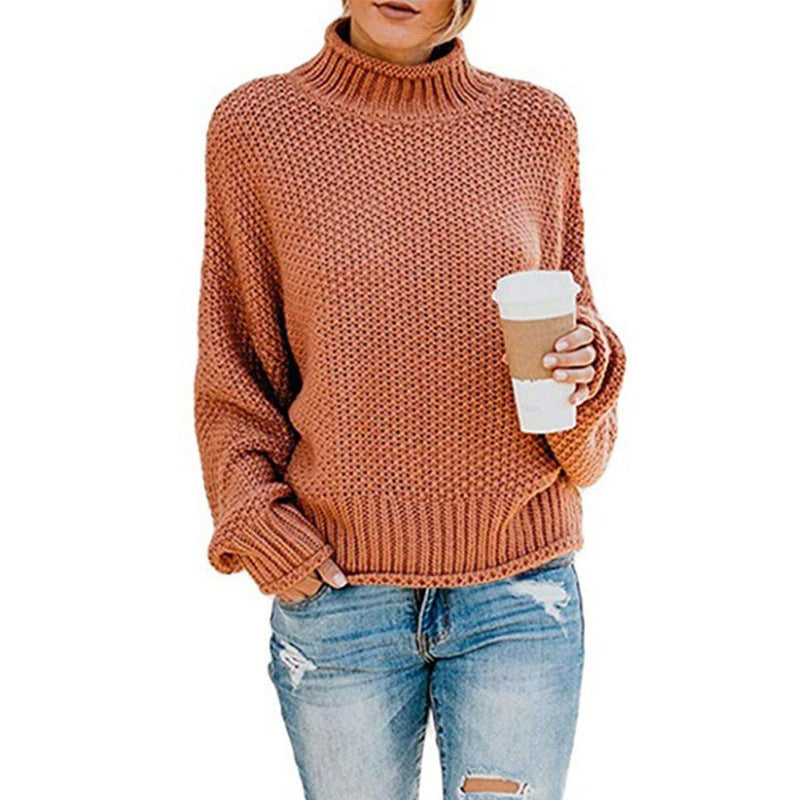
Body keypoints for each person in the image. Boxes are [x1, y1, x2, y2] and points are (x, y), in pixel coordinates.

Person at [193, 1, 626, 798]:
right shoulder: (258, 127)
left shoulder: (537, 126)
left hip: (519, 595)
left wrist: (586, 366)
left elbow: (572, 364)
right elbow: (236, 359)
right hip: (340, 597)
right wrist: (253, 515)